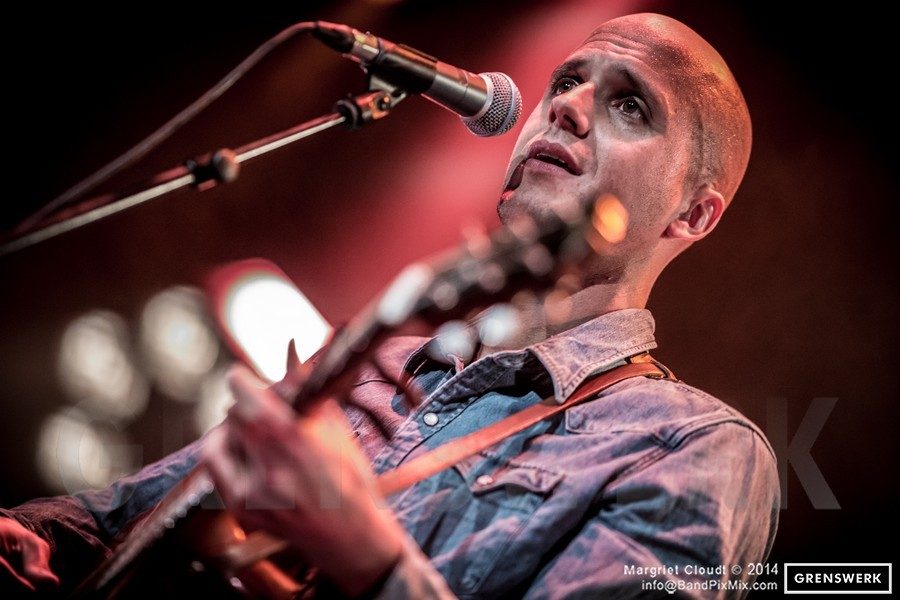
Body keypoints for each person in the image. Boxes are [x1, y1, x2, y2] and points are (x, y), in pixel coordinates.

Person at [0, 13, 779, 598]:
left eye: (630, 106)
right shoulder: (372, 362)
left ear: (692, 214)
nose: (567, 107)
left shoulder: (689, 447)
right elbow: (126, 511)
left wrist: (366, 556)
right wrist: (31, 534)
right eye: (566, 81)